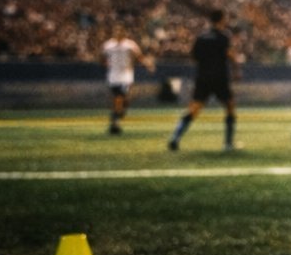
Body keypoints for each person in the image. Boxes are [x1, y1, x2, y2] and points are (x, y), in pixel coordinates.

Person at [168, 9, 239, 152]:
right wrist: (236, 70)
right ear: (221, 20)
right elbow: (230, 55)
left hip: (203, 77)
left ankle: (175, 137)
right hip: (220, 77)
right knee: (230, 108)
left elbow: (194, 56)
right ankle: (228, 144)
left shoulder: (201, 36)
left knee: (193, 109)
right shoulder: (224, 37)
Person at [100, 26, 151, 135]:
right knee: (118, 98)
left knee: (123, 99)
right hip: (113, 76)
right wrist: (105, 63)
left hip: (126, 76)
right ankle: (115, 123)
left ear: (124, 33)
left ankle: (117, 116)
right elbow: (101, 57)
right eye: (116, 31)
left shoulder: (130, 45)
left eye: (120, 31)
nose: (118, 33)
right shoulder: (108, 45)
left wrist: (147, 64)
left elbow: (139, 56)